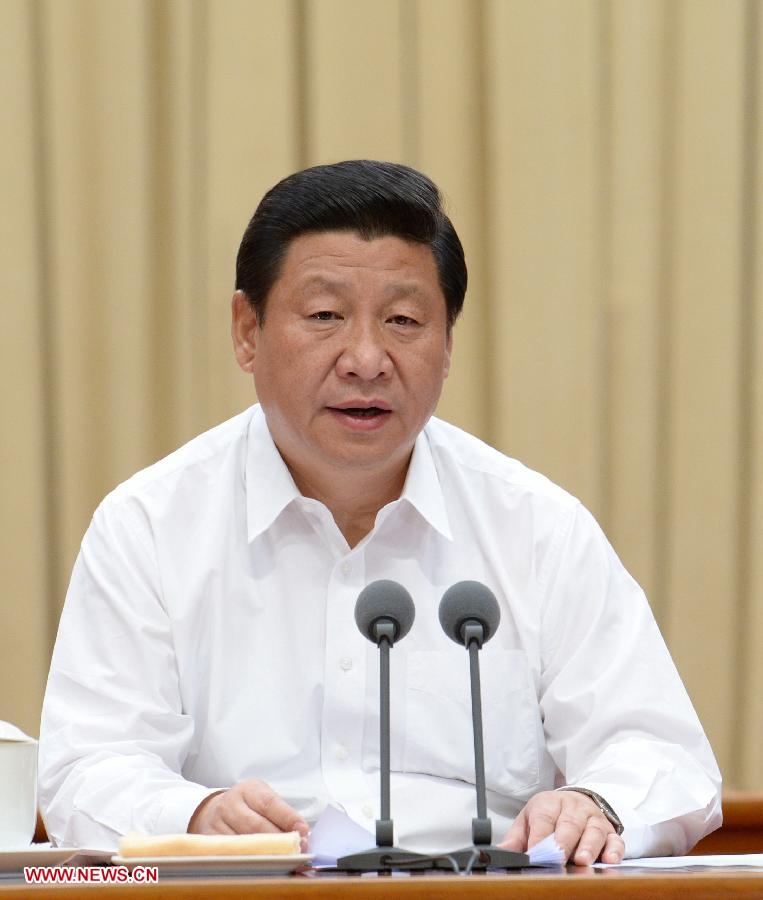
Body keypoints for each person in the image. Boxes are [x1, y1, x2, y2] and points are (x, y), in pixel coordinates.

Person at [39, 160, 721, 865]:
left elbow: (660, 751)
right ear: (247, 329)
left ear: (448, 342)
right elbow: (87, 768)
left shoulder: (535, 526)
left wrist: (597, 805)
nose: (365, 359)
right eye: (325, 316)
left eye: (403, 321)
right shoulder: (150, 526)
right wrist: (195, 813)